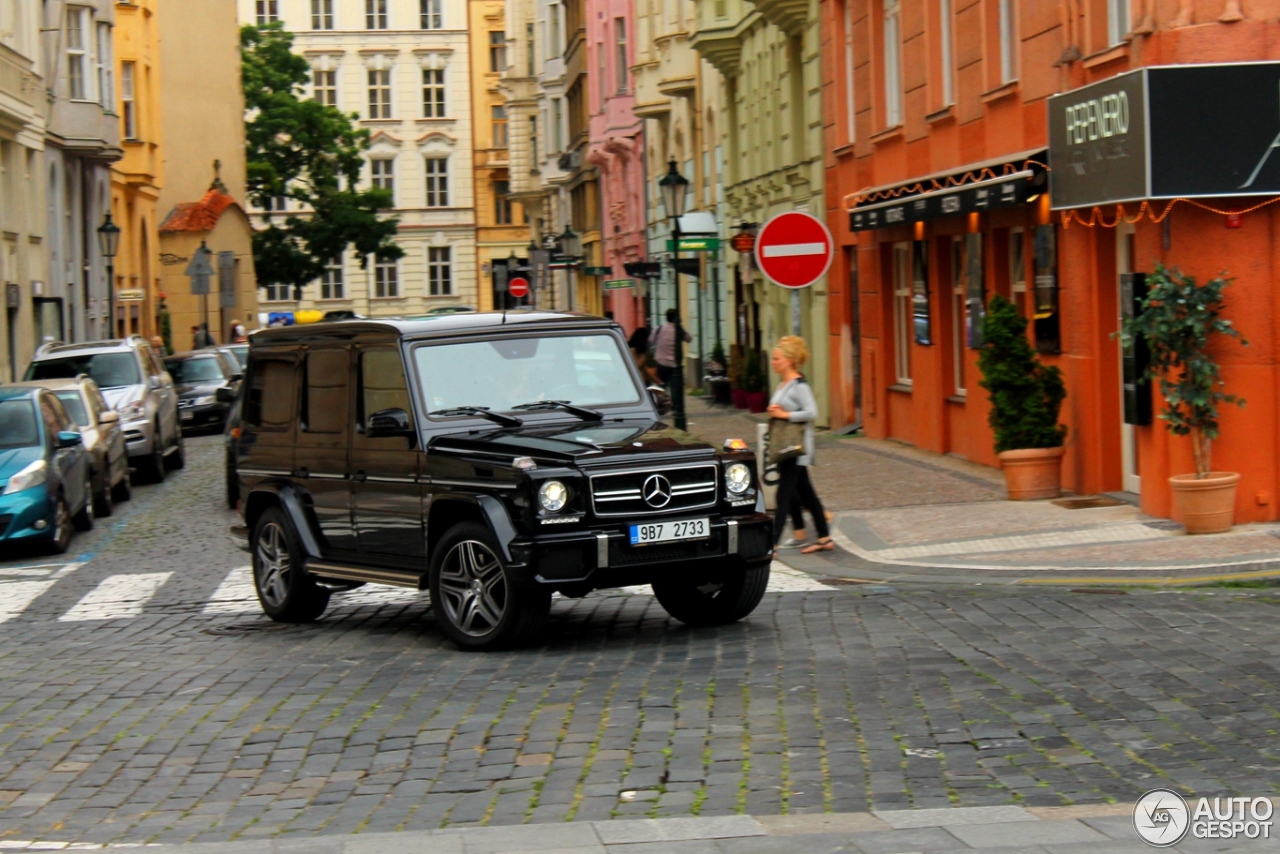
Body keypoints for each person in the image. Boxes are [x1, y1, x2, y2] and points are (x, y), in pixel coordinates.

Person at [766, 335, 832, 555]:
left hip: (797, 447)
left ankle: (772, 544)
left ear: (790, 360)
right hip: (787, 446)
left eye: (777, 358)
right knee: (807, 495)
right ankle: (824, 538)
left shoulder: (799, 384)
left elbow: (812, 412)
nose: (773, 362)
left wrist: (785, 414)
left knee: (783, 494)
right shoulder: (784, 383)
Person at [650, 308, 691, 388]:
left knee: (661, 387)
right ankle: (675, 400)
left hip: (661, 363)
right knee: (675, 387)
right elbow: (688, 339)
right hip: (674, 364)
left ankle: (661, 399)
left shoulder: (659, 329)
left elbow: (651, 340)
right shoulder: (678, 330)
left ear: (666, 318)